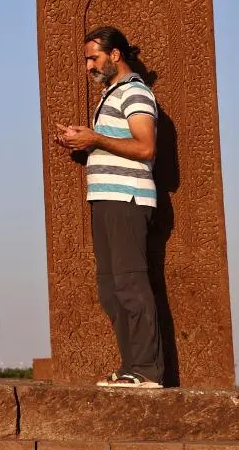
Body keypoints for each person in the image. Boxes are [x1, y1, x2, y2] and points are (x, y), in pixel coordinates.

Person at [54, 25, 165, 389]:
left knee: (131, 284)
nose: (88, 65)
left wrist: (96, 137)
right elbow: (115, 143)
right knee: (110, 289)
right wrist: (83, 143)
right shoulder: (110, 94)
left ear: (115, 55)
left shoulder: (135, 92)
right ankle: (132, 366)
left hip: (128, 198)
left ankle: (148, 370)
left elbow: (146, 147)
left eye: (94, 57)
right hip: (105, 198)